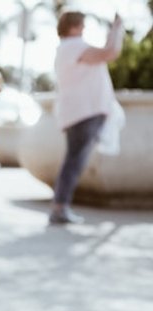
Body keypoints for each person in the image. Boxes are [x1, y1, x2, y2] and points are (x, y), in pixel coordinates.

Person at [50, 10, 123, 225]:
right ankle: (59, 208)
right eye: (81, 25)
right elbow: (110, 52)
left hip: (81, 113)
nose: (84, 29)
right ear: (73, 27)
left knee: (73, 160)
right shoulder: (73, 46)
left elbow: (105, 52)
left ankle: (60, 207)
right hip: (83, 114)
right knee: (74, 161)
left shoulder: (68, 48)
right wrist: (117, 29)